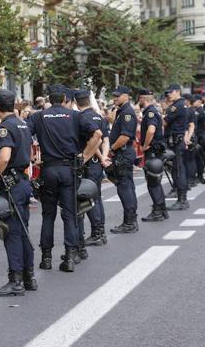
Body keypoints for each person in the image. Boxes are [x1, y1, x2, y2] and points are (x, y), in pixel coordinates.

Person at [29, 85, 100, 272]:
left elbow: (24, 136)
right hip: (69, 169)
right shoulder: (76, 116)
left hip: (49, 169)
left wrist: (31, 158)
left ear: (49, 100)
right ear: (65, 99)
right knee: (70, 215)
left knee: (48, 215)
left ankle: (46, 258)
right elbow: (97, 134)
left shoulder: (38, 116)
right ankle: (69, 257)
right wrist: (84, 157)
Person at [0, 89, 36, 296]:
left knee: (13, 232)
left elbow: (5, 156)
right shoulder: (23, 123)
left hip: (12, 183)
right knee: (23, 229)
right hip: (23, 181)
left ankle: (15, 279)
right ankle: (28, 276)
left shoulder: (6, 126)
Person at [75, 89, 108, 246]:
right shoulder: (98, 115)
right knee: (97, 197)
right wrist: (104, 157)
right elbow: (104, 140)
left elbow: (96, 139)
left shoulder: (83, 117)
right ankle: (100, 231)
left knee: (89, 198)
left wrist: (86, 156)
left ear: (76, 102)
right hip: (96, 164)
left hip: (89, 164)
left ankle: (97, 232)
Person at [107, 86, 139, 233]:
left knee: (125, 188)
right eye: (114, 96)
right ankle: (130, 220)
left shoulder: (127, 112)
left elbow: (125, 137)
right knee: (127, 187)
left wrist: (112, 149)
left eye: (117, 96)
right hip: (123, 154)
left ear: (126, 96)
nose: (115, 98)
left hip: (123, 154)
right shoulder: (121, 111)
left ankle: (130, 223)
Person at [138, 89, 168, 222]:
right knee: (156, 181)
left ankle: (157, 211)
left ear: (143, 98)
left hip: (153, 151)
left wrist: (144, 145)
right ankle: (162, 209)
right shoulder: (154, 110)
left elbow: (151, 130)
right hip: (156, 150)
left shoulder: (150, 112)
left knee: (152, 182)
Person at [164, 84, 193, 210]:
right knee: (178, 169)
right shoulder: (184, 105)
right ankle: (181, 197)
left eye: (170, 92)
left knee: (179, 171)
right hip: (179, 140)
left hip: (176, 141)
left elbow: (164, 122)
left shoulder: (176, 106)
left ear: (177, 92)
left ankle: (182, 200)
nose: (168, 95)